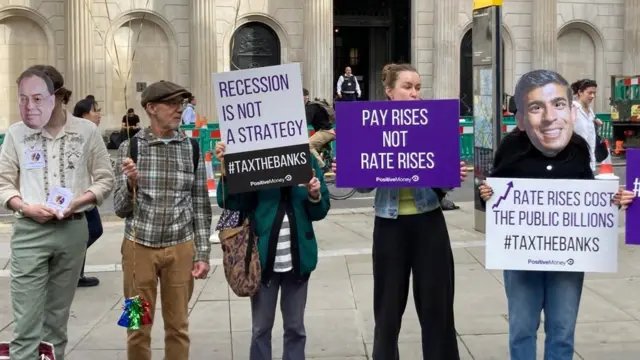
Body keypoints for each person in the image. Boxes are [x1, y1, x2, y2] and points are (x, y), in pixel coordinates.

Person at [478, 69, 635, 360]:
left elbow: (589, 199)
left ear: (571, 111)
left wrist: (613, 199)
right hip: (521, 258)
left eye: (559, 104)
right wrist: (485, 194)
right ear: (522, 118)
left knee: (562, 333)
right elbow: (494, 195)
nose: (550, 117)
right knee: (522, 331)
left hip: (568, 259)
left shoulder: (578, 147)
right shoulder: (511, 147)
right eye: (536, 108)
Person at [333, 63, 467, 359]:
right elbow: (367, 187)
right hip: (390, 226)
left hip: (429, 222)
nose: (414, 93)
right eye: (407, 87)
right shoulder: (372, 124)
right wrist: (350, 171)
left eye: (418, 88)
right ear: (390, 91)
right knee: (388, 309)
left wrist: (452, 172)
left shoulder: (432, 122)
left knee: (437, 305)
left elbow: (443, 180)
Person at [0, 65, 114, 360]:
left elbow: (105, 178)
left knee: (56, 320)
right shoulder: (16, 133)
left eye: (38, 98)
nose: (30, 106)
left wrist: (80, 201)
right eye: (24, 98)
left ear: (60, 96)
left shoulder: (86, 131)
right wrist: (24, 206)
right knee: (26, 321)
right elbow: (3, 182)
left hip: (73, 229)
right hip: (29, 230)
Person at [113, 80, 212, 360]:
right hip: (137, 250)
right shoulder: (130, 147)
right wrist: (130, 184)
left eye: (181, 103)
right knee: (136, 326)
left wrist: (202, 254)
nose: (179, 109)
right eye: (172, 104)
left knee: (178, 326)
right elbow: (120, 209)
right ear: (151, 108)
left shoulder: (191, 148)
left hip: (180, 249)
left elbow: (201, 206)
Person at [214, 141, 330, 360]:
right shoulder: (253, 157)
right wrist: (228, 171)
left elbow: (320, 210)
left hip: (299, 259)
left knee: (296, 327)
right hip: (262, 260)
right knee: (260, 328)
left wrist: (315, 194)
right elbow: (229, 201)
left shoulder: (308, 159)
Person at [72, 97, 106, 287]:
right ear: (84, 114)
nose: (99, 114)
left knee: (91, 230)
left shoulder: (91, 134)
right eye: (95, 110)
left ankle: (75, 272)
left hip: (88, 193)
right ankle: (71, 268)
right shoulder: (79, 136)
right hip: (80, 194)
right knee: (93, 230)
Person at [571, 79, 602, 171]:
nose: (592, 96)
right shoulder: (572, 108)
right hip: (575, 157)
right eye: (589, 93)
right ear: (580, 92)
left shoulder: (590, 110)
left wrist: (596, 123)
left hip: (590, 157)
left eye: (594, 93)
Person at [304, 88, 335, 170]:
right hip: (326, 132)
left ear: (305, 97)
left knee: (307, 145)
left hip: (325, 132)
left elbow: (305, 123)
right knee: (313, 150)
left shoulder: (310, 107)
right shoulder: (313, 105)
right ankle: (326, 154)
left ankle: (322, 167)